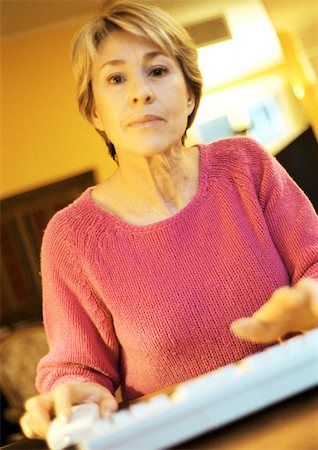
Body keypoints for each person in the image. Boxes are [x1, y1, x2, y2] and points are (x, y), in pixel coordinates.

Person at [20, 0, 318, 440]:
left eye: (158, 71)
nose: (141, 92)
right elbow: (76, 368)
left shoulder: (246, 165)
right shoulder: (71, 237)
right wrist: (73, 396)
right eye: (117, 79)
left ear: (190, 92)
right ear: (95, 111)